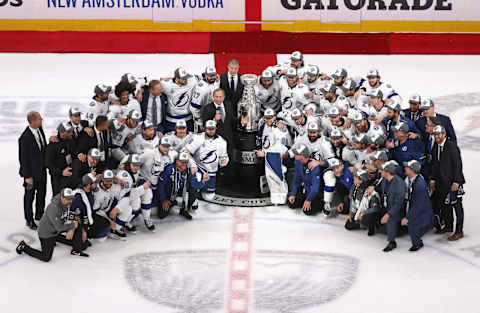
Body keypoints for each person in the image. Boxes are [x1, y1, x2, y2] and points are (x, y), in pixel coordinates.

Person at [16, 188, 84, 262]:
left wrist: (72, 228)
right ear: (62, 197)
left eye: (71, 199)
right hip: (46, 233)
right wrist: (72, 226)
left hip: (55, 230)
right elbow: (59, 227)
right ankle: (24, 247)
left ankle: (74, 247)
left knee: (79, 234)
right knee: (46, 257)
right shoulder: (53, 208)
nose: (70, 201)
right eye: (68, 199)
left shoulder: (65, 202)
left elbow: (70, 217)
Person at [430, 125, 465, 241]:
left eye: (439, 134)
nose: (437, 136)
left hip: (453, 182)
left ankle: (459, 231)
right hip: (441, 182)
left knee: (457, 206)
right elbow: (435, 164)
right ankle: (449, 226)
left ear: (444, 134)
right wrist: (433, 179)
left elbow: (458, 165)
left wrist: (457, 181)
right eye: (435, 135)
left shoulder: (451, 146)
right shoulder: (436, 146)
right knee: (445, 205)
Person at [184, 120, 229, 204]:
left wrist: (223, 161)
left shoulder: (222, 142)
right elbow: (185, 151)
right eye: (208, 129)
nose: (211, 131)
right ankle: (193, 193)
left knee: (208, 197)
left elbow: (224, 157)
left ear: (216, 129)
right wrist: (193, 165)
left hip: (211, 172)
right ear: (204, 129)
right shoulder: (198, 138)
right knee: (195, 184)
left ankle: (199, 190)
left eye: (213, 129)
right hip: (198, 169)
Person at [18, 111, 47, 230]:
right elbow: (23, 159)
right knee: (29, 197)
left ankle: (39, 215)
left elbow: (43, 147)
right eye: (40, 119)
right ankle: (29, 219)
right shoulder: (24, 138)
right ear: (33, 121)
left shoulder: (40, 130)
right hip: (31, 174)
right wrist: (27, 176)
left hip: (42, 171)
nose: (42, 120)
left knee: (42, 194)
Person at [402, 160, 433, 251]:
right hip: (419, 208)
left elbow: (418, 205)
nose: (405, 168)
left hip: (422, 211)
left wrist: (408, 217)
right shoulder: (414, 180)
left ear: (412, 170)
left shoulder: (419, 185)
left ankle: (417, 244)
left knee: (412, 224)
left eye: (407, 167)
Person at [379, 160, 406, 252]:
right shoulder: (384, 180)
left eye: (382, 170)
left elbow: (399, 204)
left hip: (397, 210)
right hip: (387, 206)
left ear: (387, 172)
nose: (380, 172)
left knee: (391, 218)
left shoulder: (399, 183)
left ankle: (392, 241)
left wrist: (388, 214)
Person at [288, 144, 323, 216]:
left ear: (302, 155)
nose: (294, 155)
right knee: (291, 203)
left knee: (308, 211)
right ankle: (305, 201)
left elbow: (315, 187)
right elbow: (296, 180)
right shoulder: (298, 162)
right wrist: (293, 194)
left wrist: (309, 199)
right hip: (306, 190)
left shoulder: (314, 165)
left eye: (296, 154)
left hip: (316, 193)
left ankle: (320, 203)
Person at [344, 169, 382, 236]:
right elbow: (353, 202)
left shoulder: (371, 192)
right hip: (359, 210)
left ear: (361, 180)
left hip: (368, 213)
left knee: (367, 218)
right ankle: (361, 222)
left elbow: (376, 208)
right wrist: (351, 214)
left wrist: (364, 213)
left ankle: (371, 225)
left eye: (356, 177)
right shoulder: (354, 187)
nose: (354, 178)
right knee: (348, 225)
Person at [157, 152, 192, 220]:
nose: (184, 164)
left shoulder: (187, 170)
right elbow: (160, 185)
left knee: (191, 189)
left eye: (186, 162)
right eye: (182, 162)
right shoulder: (169, 169)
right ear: (177, 161)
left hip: (179, 192)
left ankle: (183, 209)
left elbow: (192, 183)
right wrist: (164, 199)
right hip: (169, 194)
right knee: (162, 214)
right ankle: (172, 202)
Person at [161, 67, 197, 132]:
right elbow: (153, 82)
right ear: (177, 79)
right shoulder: (167, 85)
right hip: (172, 121)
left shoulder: (192, 81)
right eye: (183, 79)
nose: (186, 80)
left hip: (188, 120)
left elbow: (203, 76)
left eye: (186, 77)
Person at [45, 122, 75, 196]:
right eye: (69, 132)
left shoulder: (70, 141)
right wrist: (61, 172)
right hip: (57, 179)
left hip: (69, 176)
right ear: (62, 133)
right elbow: (48, 163)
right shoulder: (52, 145)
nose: (72, 134)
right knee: (58, 198)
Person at [190, 66, 220, 131]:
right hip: (203, 118)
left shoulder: (216, 80)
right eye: (210, 76)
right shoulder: (201, 89)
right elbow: (194, 108)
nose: (212, 78)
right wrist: (200, 122)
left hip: (214, 116)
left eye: (214, 75)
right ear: (206, 75)